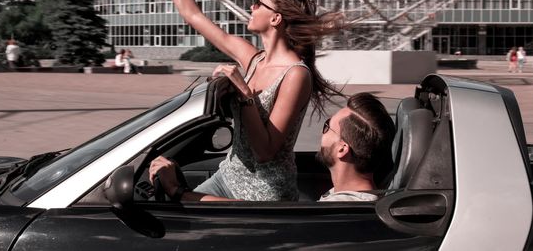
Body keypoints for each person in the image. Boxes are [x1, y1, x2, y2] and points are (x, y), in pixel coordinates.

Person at [135, 0, 343, 201]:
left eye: (259, 3)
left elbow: (266, 151)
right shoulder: (254, 59)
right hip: (227, 176)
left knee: (174, 208)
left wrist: (244, 93)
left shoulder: (296, 76)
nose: (252, 7)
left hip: (263, 195)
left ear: (276, 18)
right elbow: (194, 16)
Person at [149, 92, 394, 203]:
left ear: (343, 149)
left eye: (328, 126)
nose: (323, 128)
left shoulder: (340, 212)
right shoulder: (360, 198)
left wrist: (178, 192)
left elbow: (256, 214)